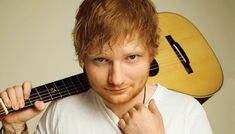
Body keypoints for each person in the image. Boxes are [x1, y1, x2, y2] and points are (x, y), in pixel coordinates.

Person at [0, 0, 212, 133]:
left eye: (131, 57)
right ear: (83, 59)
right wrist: (13, 128)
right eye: (101, 59)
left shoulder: (187, 112)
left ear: (152, 54)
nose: (116, 78)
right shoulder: (62, 112)